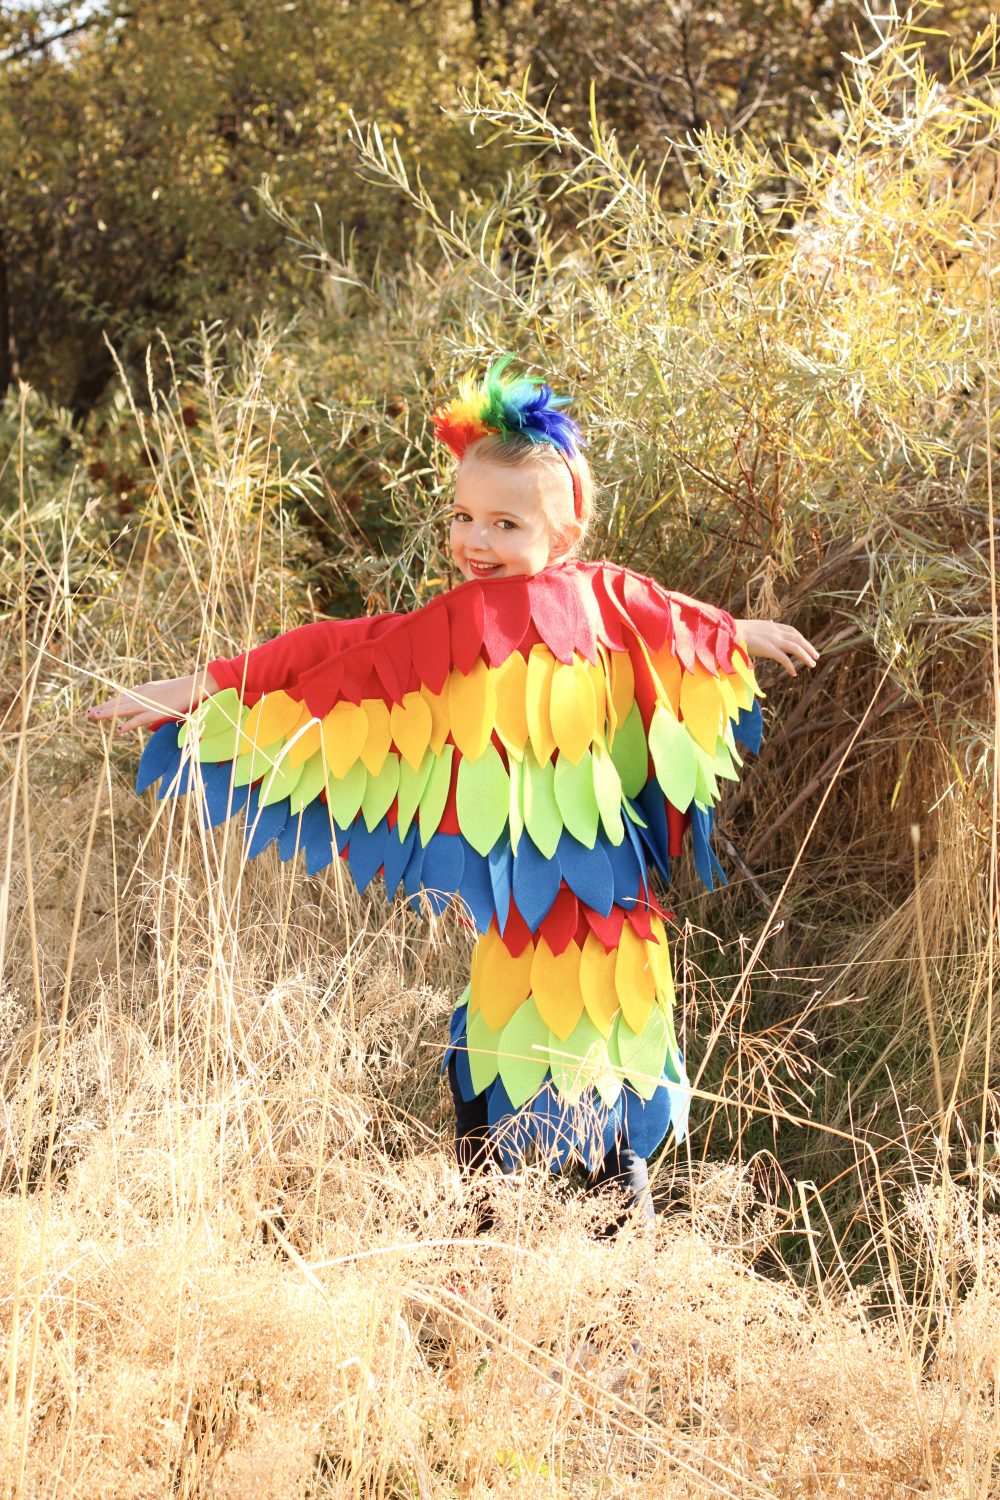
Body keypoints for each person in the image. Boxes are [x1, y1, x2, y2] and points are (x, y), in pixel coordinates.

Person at [88, 355, 818, 1241]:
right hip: (515, 928)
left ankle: (612, 1293)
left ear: (566, 528)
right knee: (497, 1069)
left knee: (610, 1088)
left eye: (505, 523)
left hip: (613, 922)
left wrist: (741, 632)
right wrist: (203, 684)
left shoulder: (605, 599)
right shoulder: (455, 625)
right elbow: (337, 655)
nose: (476, 540)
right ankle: (488, 1263)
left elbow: (671, 626)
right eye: (462, 517)